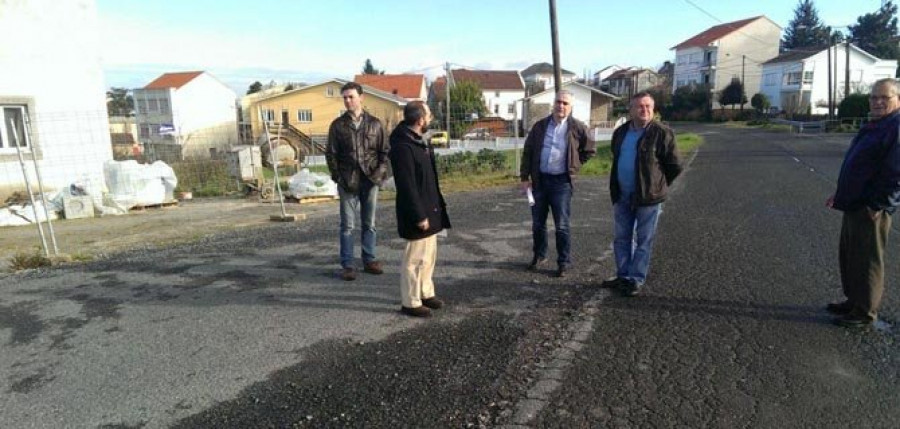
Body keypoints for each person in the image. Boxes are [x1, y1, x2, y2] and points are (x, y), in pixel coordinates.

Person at [826, 78, 900, 329]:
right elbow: (858, 166)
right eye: (874, 97)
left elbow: (895, 174)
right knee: (850, 255)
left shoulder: (896, 126)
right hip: (854, 202)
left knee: (867, 259)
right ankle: (853, 301)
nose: (878, 102)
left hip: (871, 207)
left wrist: (877, 205)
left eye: (885, 98)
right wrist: (841, 194)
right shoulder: (877, 124)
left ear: (897, 99)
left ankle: (865, 311)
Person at [602, 91, 682, 296]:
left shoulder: (662, 132)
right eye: (639, 106)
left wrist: (657, 186)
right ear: (630, 110)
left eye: (648, 106)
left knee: (644, 240)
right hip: (622, 195)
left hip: (648, 198)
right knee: (622, 238)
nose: (644, 110)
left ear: (653, 109)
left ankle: (635, 278)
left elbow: (674, 165)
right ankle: (623, 275)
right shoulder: (620, 132)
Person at [520, 90, 596, 277]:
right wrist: (525, 178)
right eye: (558, 102)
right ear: (553, 104)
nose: (560, 106)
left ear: (570, 108)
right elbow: (528, 152)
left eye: (565, 103)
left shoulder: (577, 127)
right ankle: (539, 255)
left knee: (561, 224)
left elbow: (589, 150)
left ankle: (563, 262)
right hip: (539, 182)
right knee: (538, 223)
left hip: (562, 183)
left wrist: (574, 165)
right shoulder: (539, 126)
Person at [389, 101, 451, 318]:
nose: (431, 118)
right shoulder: (403, 146)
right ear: (420, 120)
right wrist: (419, 215)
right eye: (429, 115)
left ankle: (425, 292)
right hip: (417, 212)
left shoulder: (419, 141)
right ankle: (411, 301)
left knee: (428, 256)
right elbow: (407, 186)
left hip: (430, 207)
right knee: (414, 259)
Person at [326, 82, 390, 281]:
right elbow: (331, 154)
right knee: (347, 225)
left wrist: (378, 176)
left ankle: (369, 259)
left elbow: (385, 153)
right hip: (347, 181)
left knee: (369, 223)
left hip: (370, 180)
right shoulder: (337, 125)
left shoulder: (375, 124)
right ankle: (347, 264)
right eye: (344, 97)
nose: (347, 100)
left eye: (351, 97)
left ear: (361, 98)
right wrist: (338, 177)